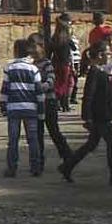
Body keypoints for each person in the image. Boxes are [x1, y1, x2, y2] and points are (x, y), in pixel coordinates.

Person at [58, 41, 112, 187]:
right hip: (99, 116)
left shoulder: (100, 72)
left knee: (91, 145)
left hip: (102, 114)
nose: (109, 56)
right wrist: (88, 117)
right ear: (100, 55)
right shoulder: (95, 73)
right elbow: (89, 96)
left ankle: (67, 166)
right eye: (107, 54)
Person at [0, 39, 45, 178]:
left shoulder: (9, 68)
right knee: (33, 139)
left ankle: (12, 167)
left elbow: (5, 89)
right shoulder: (34, 69)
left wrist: (3, 106)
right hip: (30, 108)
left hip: (13, 108)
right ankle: (35, 166)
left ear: (16, 51)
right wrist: (41, 111)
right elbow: (39, 92)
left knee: (13, 139)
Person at [28, 33, 72, 169]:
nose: (32, 51)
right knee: (38, 133)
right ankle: (38, 161)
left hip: (48, 102)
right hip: (36, 104)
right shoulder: (31, 65)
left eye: (34, 47)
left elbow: (51, 81)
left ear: (42, 47)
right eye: (29, 48)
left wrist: (38, 87)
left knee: (54, 131)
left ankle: (68, 156)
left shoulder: (47, 64)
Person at [49, 14, 75, 112]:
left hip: (55, 62)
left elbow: (50, 51)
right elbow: (74, 48)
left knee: (58, 82)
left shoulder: (54, 38)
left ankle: (60, 103)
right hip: (65, 64)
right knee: (66, 84)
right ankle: (62, 102)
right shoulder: (67, 39)